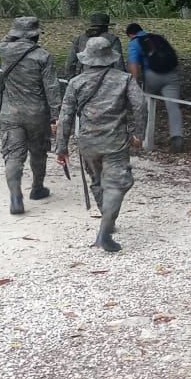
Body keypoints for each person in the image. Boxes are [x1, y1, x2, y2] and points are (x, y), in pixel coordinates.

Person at [55, 37, 147, 253]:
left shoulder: (76, 82)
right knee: (116, 184)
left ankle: (108, 220)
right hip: (115, 141)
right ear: (110, 58)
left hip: (88, 141)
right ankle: (105, 231)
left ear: (87, 58)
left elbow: (65, 115)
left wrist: (62, 147)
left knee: (97, 181)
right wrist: (139, 133)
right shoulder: (125, 79)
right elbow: (140, 104)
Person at [0, 17, 63, 215]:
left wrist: (14, 32)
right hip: (37, 112)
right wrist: (55, 115)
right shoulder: (43, 56)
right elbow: (52, 87)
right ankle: (37, 187)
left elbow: (4, 41)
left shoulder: (4, 51)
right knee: (38, 151)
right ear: (36, 34)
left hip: (10, 112)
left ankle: (15, 195)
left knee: (13, 156)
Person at [125, 23, 184, 153]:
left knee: (146, 104)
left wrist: (134, 82)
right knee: (173, 106)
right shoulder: (158, 38)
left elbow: (134, 64)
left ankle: (144, 137)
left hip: (152, 75)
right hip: (171, 75)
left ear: (130, 35)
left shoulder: (134, 42)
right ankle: (176, 136)